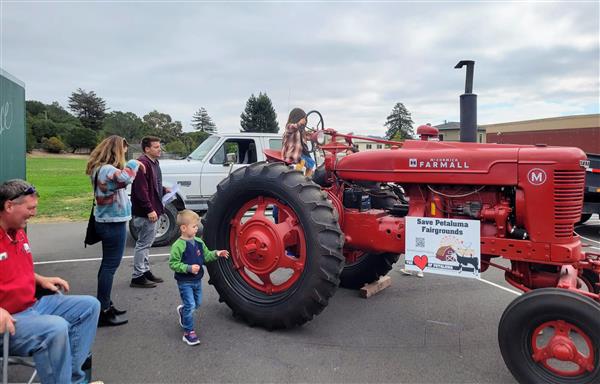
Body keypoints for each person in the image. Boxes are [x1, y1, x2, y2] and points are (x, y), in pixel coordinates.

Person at [0, 179, 102, 384]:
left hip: (32, 306)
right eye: (30, 208)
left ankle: (71, 379)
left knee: (90, 306)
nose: (34, 214)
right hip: (9, 320)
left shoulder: (18, 231)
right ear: (9, 206)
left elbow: (11, 268)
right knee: (55, 328)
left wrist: (38, 278)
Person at [85, 135, 144, 326]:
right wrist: (135, 162)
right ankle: (103, 310)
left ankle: (106, 304)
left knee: (107, 265)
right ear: (117, 150)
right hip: (112, 222)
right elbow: (125, 179)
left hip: (105, 220)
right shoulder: (108, 169)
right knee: (110, 266)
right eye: (124, 150)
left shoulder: (98, 169)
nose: (126, 153)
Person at [168, 209, 229, 346]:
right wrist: (188, 268)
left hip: (197, 281)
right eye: (194, 226)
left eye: (197, 226)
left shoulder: (199, 242)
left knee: (197, 303)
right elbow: (173, 263)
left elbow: (206, 256)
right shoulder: (178, 246)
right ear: (184, 228)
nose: (197, 228)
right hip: (185, 282)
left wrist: (217, 253)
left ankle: (183, 311)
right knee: (191, 305)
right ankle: (188, 333)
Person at [130, 136, 170, 288]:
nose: (159, 149)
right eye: (156, 147)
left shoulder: (154, 163)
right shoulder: (143, 164)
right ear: (147, 149)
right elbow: (141, 190)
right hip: (146, 212)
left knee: (147, 244)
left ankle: (145, 271)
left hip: (154, 209)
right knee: (143, 244)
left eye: (160, 146)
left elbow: (153, 184)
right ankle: (137, 276)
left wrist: (164, 189)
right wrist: (149, 209)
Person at [281, 107, 316, 177]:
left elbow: (308, 137)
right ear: (297, 118)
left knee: (311, 162)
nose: (305, 121)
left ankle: (307, 179)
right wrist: (299, 123)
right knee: (302, 161)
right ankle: (295, 176)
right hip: (291, 153)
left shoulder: (302, 131)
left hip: (299, 154)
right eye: (303, 119)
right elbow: (294, 127)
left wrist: (315, 135)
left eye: (305, 119)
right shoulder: (289, 127)